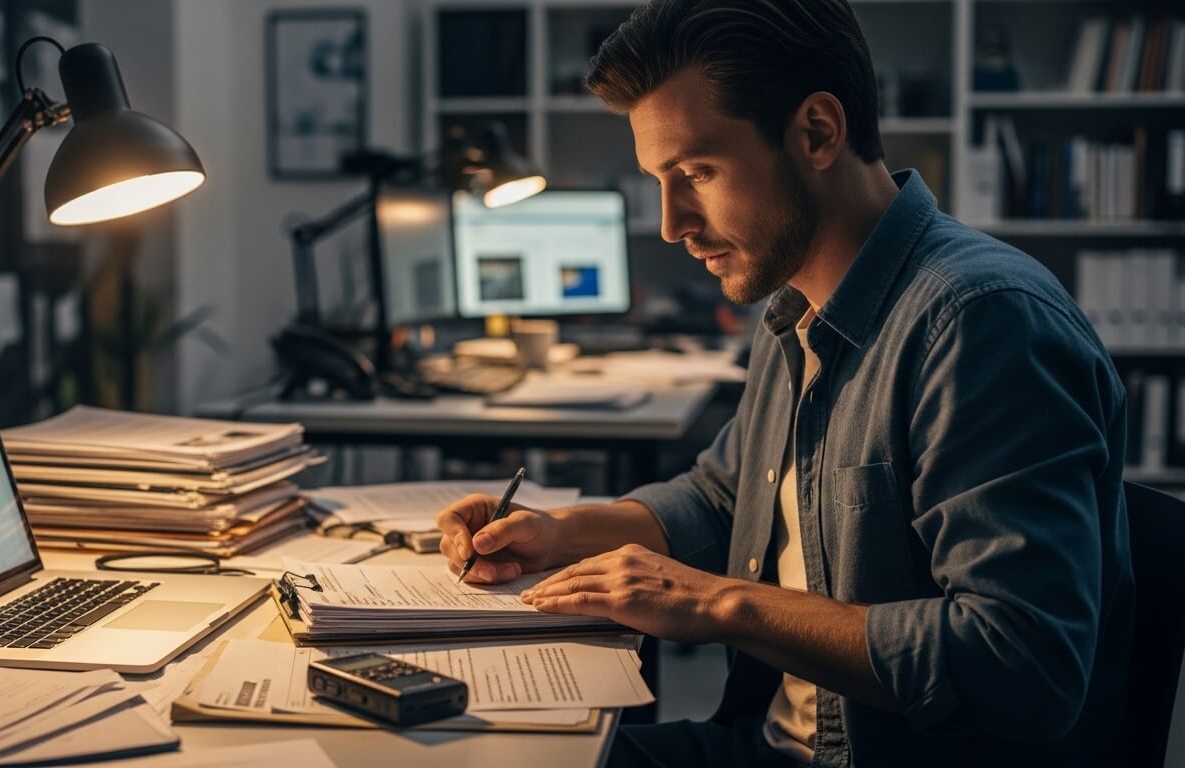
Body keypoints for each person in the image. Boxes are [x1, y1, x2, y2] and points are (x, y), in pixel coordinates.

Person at [435, 1, 1132, 766]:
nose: (671, 223)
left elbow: (1025, 666)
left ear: (818, 133)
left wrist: (719, 604)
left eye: (697, 172)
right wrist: (565, 534)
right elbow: (723, 498)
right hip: (764, 740)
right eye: (659, 180)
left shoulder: (981, 324)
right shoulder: (793, 303)